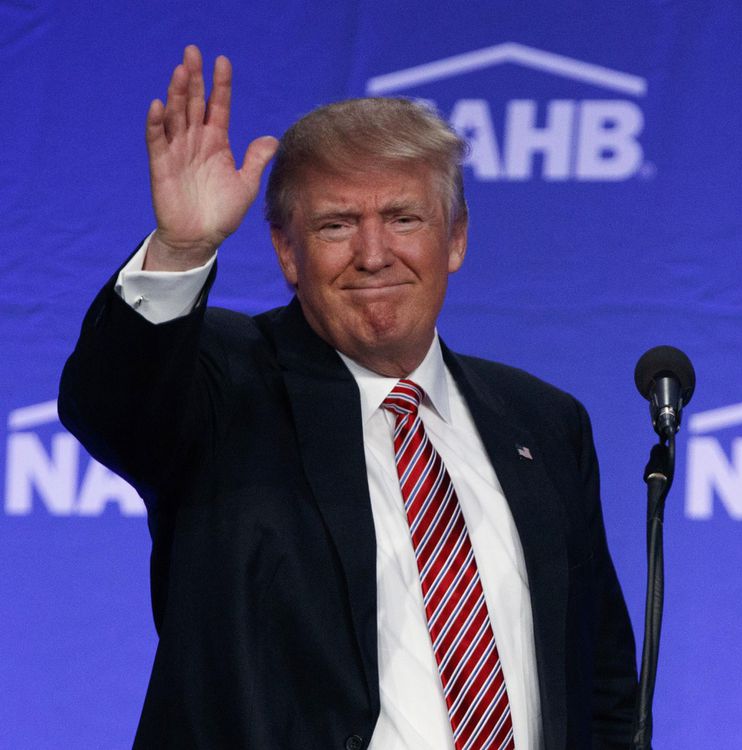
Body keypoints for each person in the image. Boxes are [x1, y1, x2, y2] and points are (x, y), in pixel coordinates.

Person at [59, 45, 637, 749]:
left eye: (403, 219)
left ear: (454, 239)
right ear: (286, 252)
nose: (372, 253)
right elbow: (115, 402)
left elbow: (599, 680)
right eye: (335, 225)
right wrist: (181, 250)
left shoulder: (544, 422)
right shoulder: (226, 382)